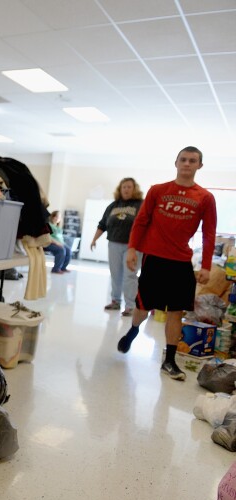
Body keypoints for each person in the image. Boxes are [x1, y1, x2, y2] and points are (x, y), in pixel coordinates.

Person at [117, 146, 217, 381]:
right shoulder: (158, 191)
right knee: (143, 307)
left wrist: (206, 266)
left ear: (199, 166)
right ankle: (133, 330)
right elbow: (141, 222)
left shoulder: (205, 197)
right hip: (154, 258)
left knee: (176, 312)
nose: (187, 164)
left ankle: (169, 361)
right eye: (183, 159)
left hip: (181, 261)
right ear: (176, 162)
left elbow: (209, 233)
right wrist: (132, 249)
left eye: (192, 161)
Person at [90, 178, 144, 316]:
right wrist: (94, 239)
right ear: (120, 189)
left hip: (133, 247)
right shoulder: (113, 206)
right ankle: (115, 301)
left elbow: (146, 226)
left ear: (134, 189)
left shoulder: (141, 205)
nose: (126, 189)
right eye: (123, 187)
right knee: (115, 275)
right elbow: (102, 224)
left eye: (129, 187)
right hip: (113, 244)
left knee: (129, 275)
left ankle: (131, 306)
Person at [44, 210, 71, 274]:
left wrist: (62, 243)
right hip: (50, 243)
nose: (58, 218)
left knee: (68, 250)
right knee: (61, 250)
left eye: (59, 217)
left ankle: (63, 267)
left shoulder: (58, 227)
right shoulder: (48, 225)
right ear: (53, 217)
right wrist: (57, 243)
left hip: (60, 243)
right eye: (56, 216)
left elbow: (60, 238)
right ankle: (56, 269)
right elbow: (48, 237)